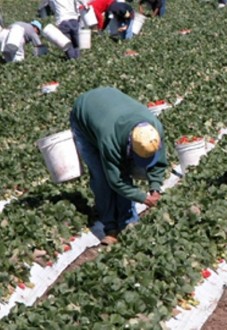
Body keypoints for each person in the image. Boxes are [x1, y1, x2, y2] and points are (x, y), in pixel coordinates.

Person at [70, 87, 168, 245]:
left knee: (125, 169)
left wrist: (155, 188)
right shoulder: (110, 139)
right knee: (101, 176)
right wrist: (143, 198)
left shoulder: (154, 131)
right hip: (85, 114)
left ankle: (128, 222)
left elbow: (159, 163)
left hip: (110, 106)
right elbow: (116, 180)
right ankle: (110, 227)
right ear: (130, 145)